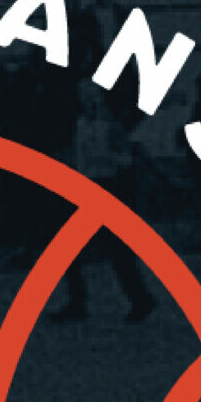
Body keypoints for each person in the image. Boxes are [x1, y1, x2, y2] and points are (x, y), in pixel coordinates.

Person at [49, 82, 156, 323]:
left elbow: (125, 161)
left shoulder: (109, 126)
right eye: (83, 96)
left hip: (108, 187)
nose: (87, 101)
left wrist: (107, 157)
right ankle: (82, 300)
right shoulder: (81, 125)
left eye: (91, 96)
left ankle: (137, 298)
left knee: (115, 249)